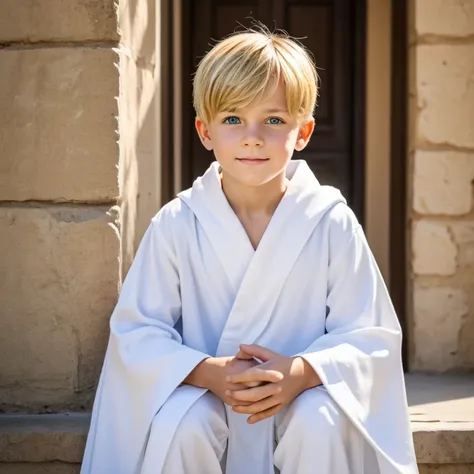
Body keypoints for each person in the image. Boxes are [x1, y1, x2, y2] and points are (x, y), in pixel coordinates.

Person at [81, 25, 418, 474]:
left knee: (319, 420)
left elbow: (368, 335)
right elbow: (138, 332)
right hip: (208, 395)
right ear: (205, 131)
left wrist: (300, 373)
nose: (253, 136)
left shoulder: (331, 222)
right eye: (233, 119)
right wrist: (208, 373)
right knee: (184, 423)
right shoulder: (177, 224)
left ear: (304, 132)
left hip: (303, 397)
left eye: (274, 120)